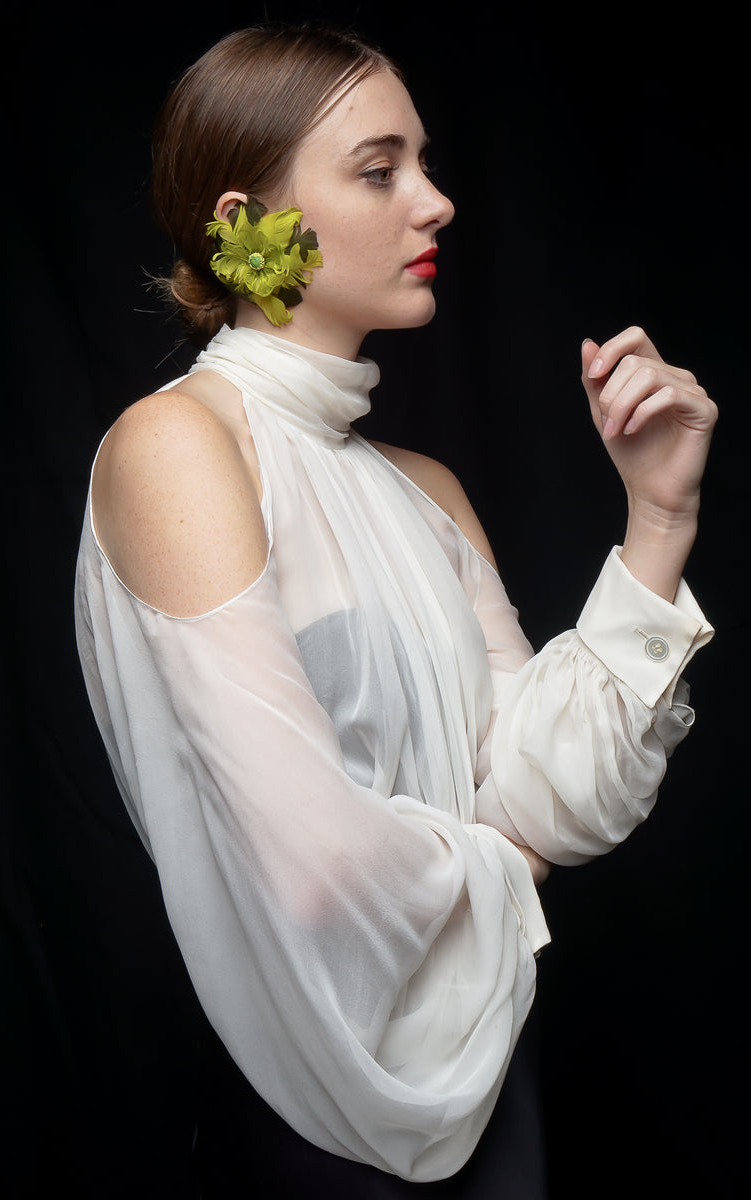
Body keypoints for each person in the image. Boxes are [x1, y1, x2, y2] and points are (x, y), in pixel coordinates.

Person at [74, 22, 716, 1196]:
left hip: (497, 1095)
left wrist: (656, 522)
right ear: (240, 226)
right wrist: (512, 855)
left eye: (421, 162)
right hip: (309, 1132)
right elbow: (314, 870)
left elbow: (552, 788)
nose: (435, 203)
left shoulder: (423, 493)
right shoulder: (178, 447)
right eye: (379, 171)